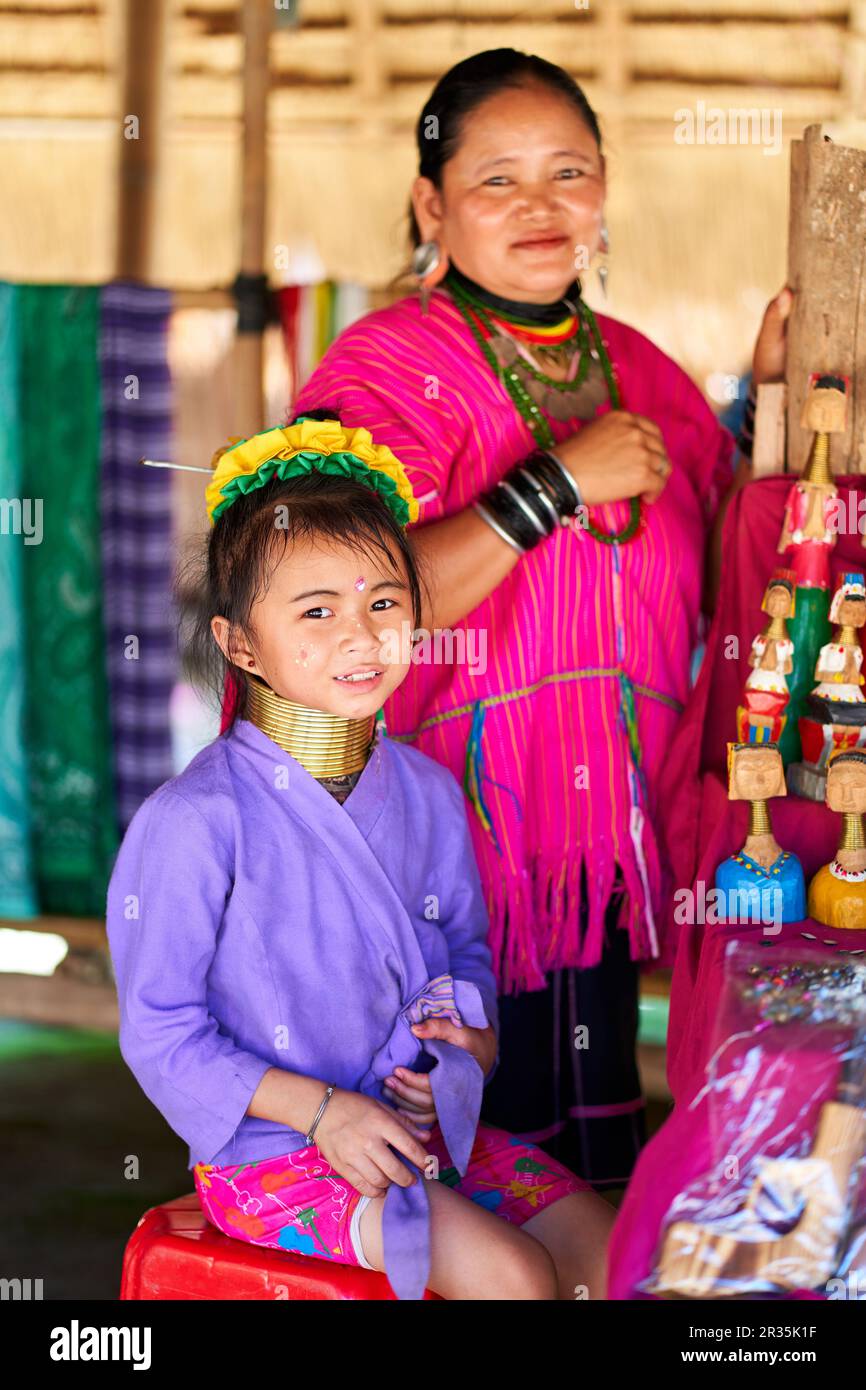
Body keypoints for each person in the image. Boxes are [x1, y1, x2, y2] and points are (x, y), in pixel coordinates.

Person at [291, 48, 792, 1188]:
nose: (539, 207)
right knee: (449, 1166)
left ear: (604, 191)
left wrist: (766, 408)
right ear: (431, 203)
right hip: (443, 862)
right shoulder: (386, 365)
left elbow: (730, 566)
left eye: (567, 173)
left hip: (597, 865)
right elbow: (337, 608)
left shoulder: (640, 372)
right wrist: (550, 486)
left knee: (590, 1161)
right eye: (497, 179)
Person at [106, 415, 615, 1301]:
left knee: (608, 1249)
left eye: (384, 602)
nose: (362, 633)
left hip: (423, 1131)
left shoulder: (427, 793)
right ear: (238, 644)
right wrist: (323, 1111)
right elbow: (161, 1033)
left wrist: (468, 1050)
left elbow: (463, 957)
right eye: (317, 611)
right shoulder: (193, 821)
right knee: (513, 1278)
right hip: (275, 1155)